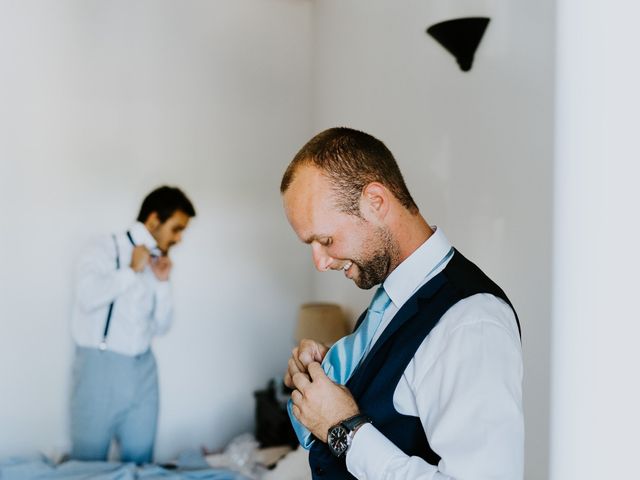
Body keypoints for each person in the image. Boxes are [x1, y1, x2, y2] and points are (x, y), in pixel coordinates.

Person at [280, 128, 523, 479]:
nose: (320, 262)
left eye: (326, 239)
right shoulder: (392, 301)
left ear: (375, 202)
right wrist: (329, 373)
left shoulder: (472, 322)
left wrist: (343, 429)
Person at [69, 186, 196, 464]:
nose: (179, 238)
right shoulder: (103, 247)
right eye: (176, 229)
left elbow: (161, 327)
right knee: (87, 465)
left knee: (141, 462)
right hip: (99, 369)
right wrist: (130, 271)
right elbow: (87, 297)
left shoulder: (158, 261)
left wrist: (162, 284)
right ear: (153, 221)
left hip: (144, 371)